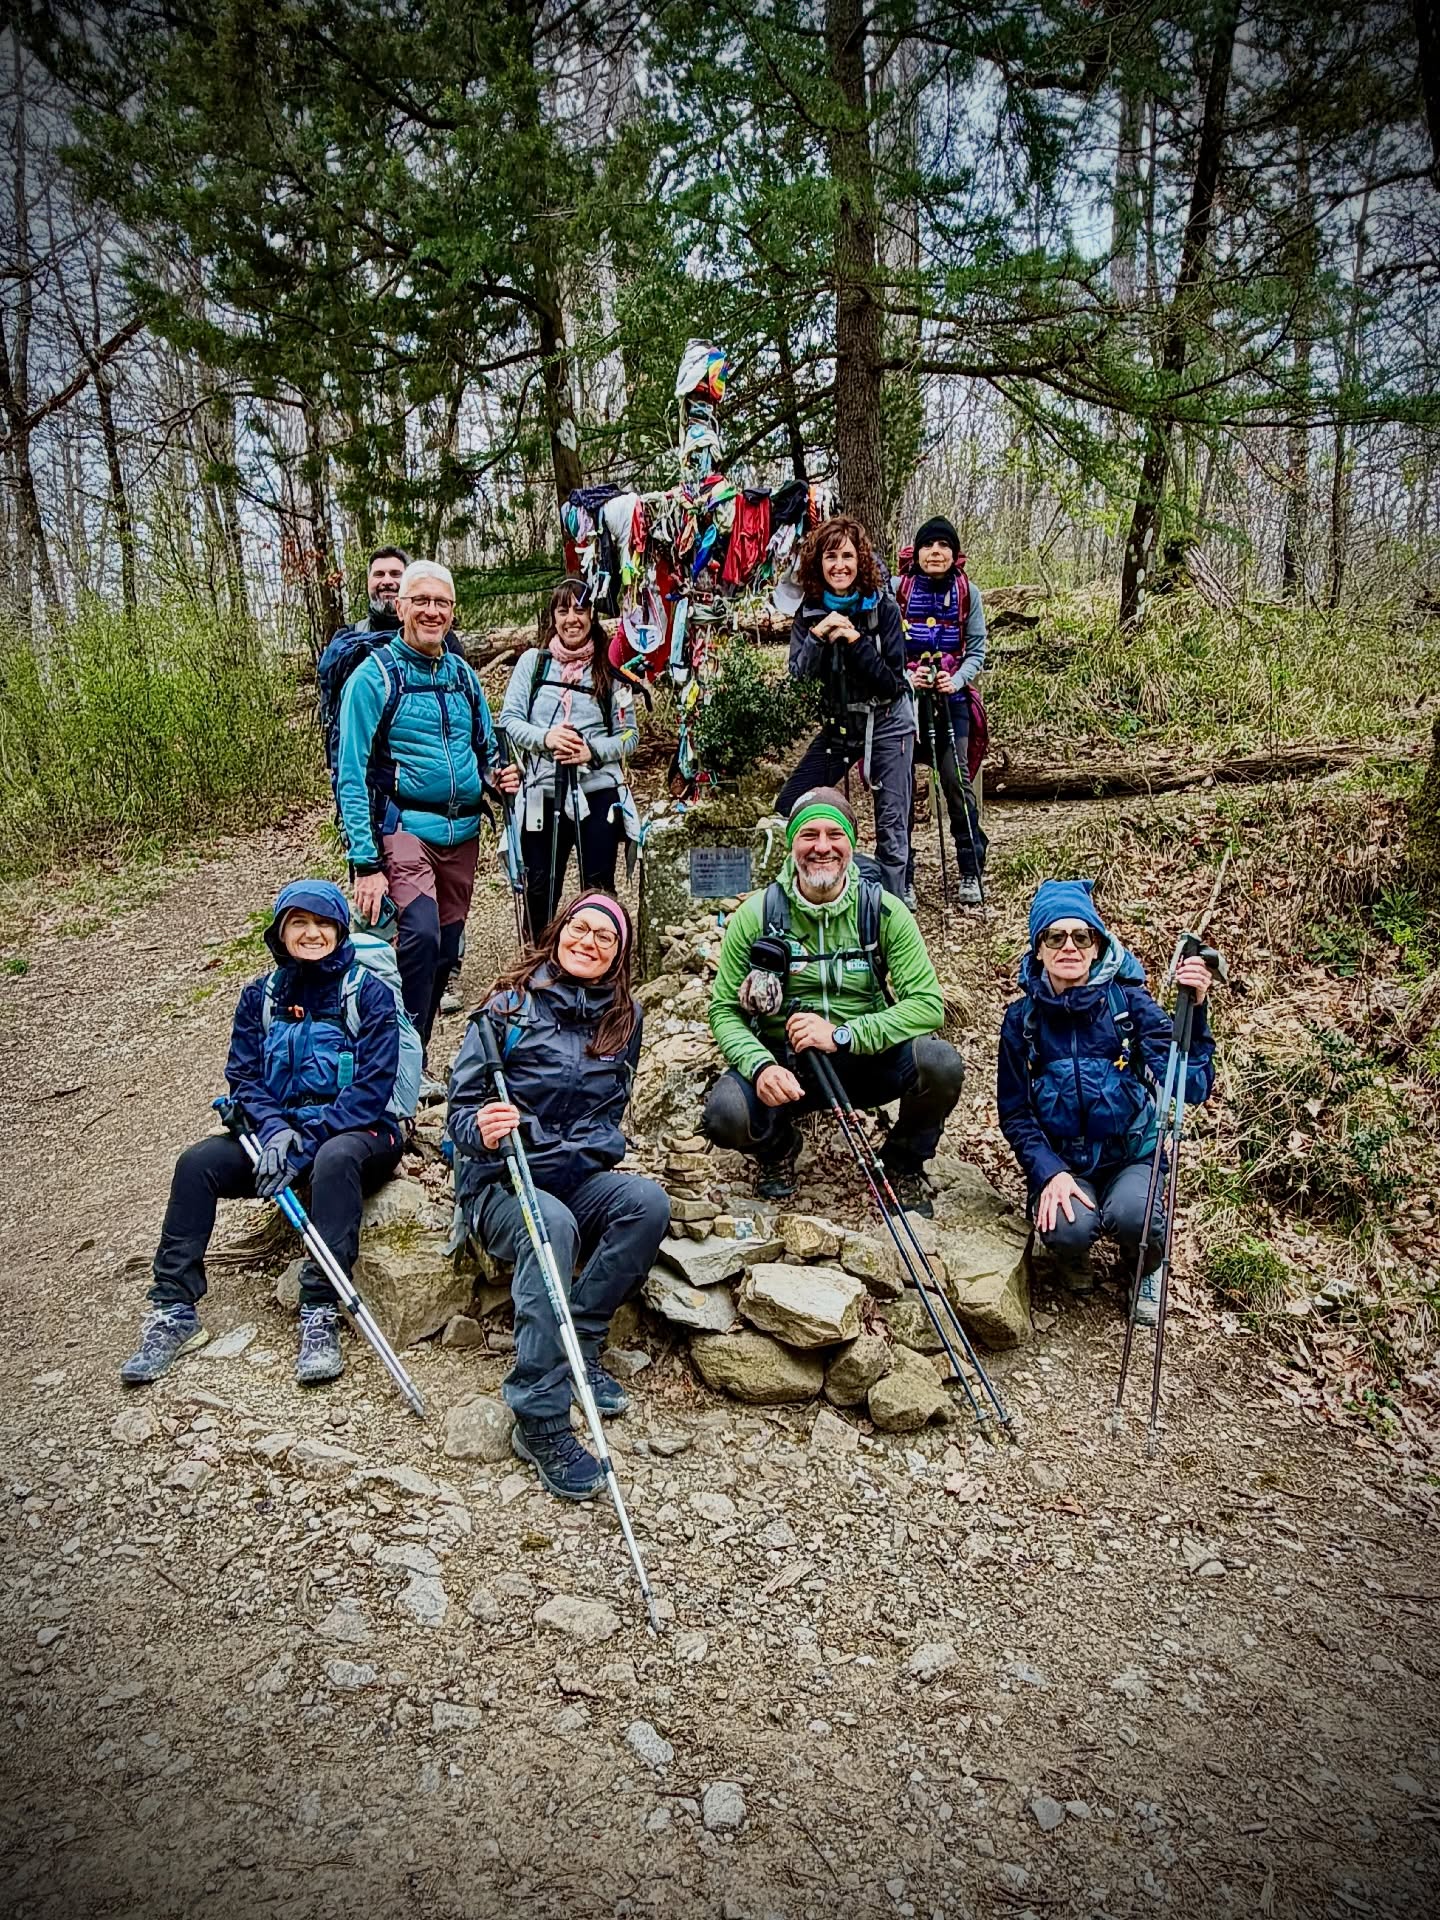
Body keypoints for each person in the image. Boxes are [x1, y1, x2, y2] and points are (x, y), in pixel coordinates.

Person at [120, 881, 405, 1390]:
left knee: (333, 1160)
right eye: (300, 923)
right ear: (281, 932)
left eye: (323, 924)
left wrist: (306, 1140)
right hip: (277, 1139)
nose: (312, 933)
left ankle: (319, 1308)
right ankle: (173, 1309)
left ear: (341, 931)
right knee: (196, 1164)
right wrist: (274, 1132)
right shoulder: (261, 997)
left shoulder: (367, 992)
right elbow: (245, 1078)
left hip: (361, 1133)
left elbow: (372, 1088)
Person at [447, 893, 669, 1501]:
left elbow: (608, 1115)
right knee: (554, 1226)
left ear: (619, 955)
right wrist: (485, 1130)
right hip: (502, 1181)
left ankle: (582, 1343)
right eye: (581, 928)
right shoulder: (507, 1007)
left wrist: (563, 1145)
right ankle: (539, 1418)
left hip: (573, 1174)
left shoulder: (624, 1018)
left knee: (646, 1204)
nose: (589, 941)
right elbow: (460, 1114)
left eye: (606, 937)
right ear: (560, 931)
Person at [702, 787, 964, 1210]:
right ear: (791, 846)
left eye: (834, 835)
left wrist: (844, 1034)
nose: (822, 847)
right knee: (724, 1115)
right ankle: (778, 1148)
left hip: (866, 1060)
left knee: (940, 1063)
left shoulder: (884, 912)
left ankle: (902, 1161)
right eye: (809, 835)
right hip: (786, 1067)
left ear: (851, 844)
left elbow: (928, 1005)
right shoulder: (756, 916)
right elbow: (724, 1010)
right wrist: (760, 1064)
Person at [995, 880, 1217, 1324]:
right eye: (1054, 937)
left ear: (1098, 945)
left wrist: (1196, 1009)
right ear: (1038, 949)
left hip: (1130, 1154)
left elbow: (1192, 1085)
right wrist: (1048, 1171)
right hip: (1064, 1160)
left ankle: (1145, 1266)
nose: (1070, 947)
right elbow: (1015, 1112)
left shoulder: (1128, 1006)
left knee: (1136, 1216)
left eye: (1083, 936)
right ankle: (1071, 1253)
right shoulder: (1022, 1021)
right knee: (1067, 1227)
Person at [336, 559, 520, 1083]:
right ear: (401, 607)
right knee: (416, 938)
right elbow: (350, 774)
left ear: (453, 612)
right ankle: (392, 1067)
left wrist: (496, 776)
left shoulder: (461, 674)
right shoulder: (374, 677)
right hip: (404, 828)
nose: (432, 611)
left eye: (441, 603)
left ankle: (411, 1059)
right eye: (421, 601)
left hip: (462, 834)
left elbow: (484, 748)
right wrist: (364, 862)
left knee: (443, 953)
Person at [775, 514, 915, 896]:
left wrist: (856, 642)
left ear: (861, 561)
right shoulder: (809, 612)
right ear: (818, 564)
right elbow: (799, 680)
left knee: (891, 825)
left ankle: (893, 907)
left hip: (887, 720)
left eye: (848, 556)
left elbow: (892, 681)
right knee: (790, 802)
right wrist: (818, 638)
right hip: (840, 725)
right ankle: (818, 886)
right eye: (831, 556)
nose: (840, 565)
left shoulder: (882, 607)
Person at [498, 578, 640, 941]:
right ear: (553, 617)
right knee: (540, 887)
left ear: (592, 615)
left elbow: (629, 735)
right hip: (541, 793)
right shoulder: (533, 664)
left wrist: (590, 751)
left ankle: (602, 964)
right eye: (563, 611)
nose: (572, 619)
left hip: (598, 792)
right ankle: (538, 963)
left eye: (580, 609)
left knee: (598, 884)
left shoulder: (610, 668)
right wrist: (547, 738)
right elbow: (510, 720)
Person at [896, 515, 988, 907]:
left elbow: (978, 649)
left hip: (952, 701)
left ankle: (970, 869)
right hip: (905, 704)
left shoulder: (969, 592)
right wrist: (905, 677)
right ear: (917, 552)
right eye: (929, 546)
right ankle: (901, 877)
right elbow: (883, 646)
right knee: (898, 790)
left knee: (955, 782)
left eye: (944, 546)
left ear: (954, 554)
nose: (936, 552)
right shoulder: (897, 589)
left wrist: (958, 679)